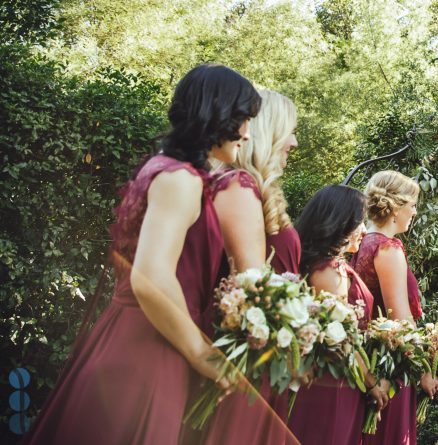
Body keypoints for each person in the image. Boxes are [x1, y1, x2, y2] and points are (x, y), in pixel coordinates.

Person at [25, 63, 261, 445]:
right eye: (244, 119)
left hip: (128, 334)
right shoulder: (180, 179)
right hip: (150, 348)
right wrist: (204, 356)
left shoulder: (163, 168)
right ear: (217, 115)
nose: (248, 134)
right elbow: (151, 279)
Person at [199, 89, 302, 444]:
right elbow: (251, 286)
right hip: (245, 354)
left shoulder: (252, 188)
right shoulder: (236, 187)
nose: (294, 142)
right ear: (267, 131)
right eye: (289, 130)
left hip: (261, 354)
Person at [289, 185, 388, 445]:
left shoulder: (327, 266)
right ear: (341, 222)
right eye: (360, 222)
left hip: (337, 382)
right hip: (330, 386)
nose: (365, 230)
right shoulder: (329, 273)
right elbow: (342, 337)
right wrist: (372, 382)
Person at [353, 170, 437, 445]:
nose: (414, 212)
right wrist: (425, 368)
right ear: (396, 207)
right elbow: (400, 319)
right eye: (412, 205)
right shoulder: (388, 249)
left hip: (368, 362)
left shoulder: (362, 243)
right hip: (390, 366)